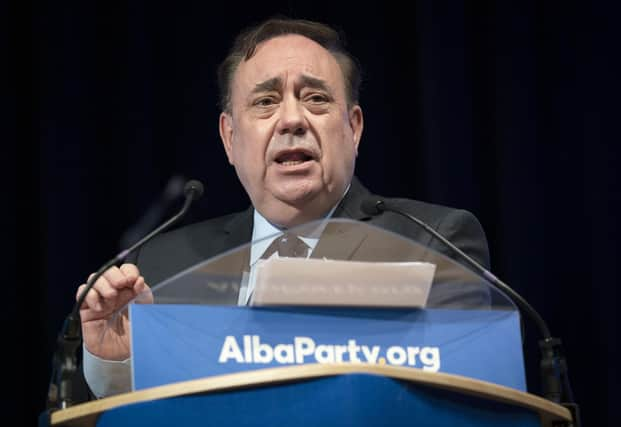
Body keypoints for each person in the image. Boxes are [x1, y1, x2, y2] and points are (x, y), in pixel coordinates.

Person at [75, 17, 491, 400]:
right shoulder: (165, 266)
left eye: (315, 98)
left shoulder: (432, 241)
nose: (292, 119)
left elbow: (463, 402)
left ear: (354, 127)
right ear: (229, 137)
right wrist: (117, 366)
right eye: (265, 102)